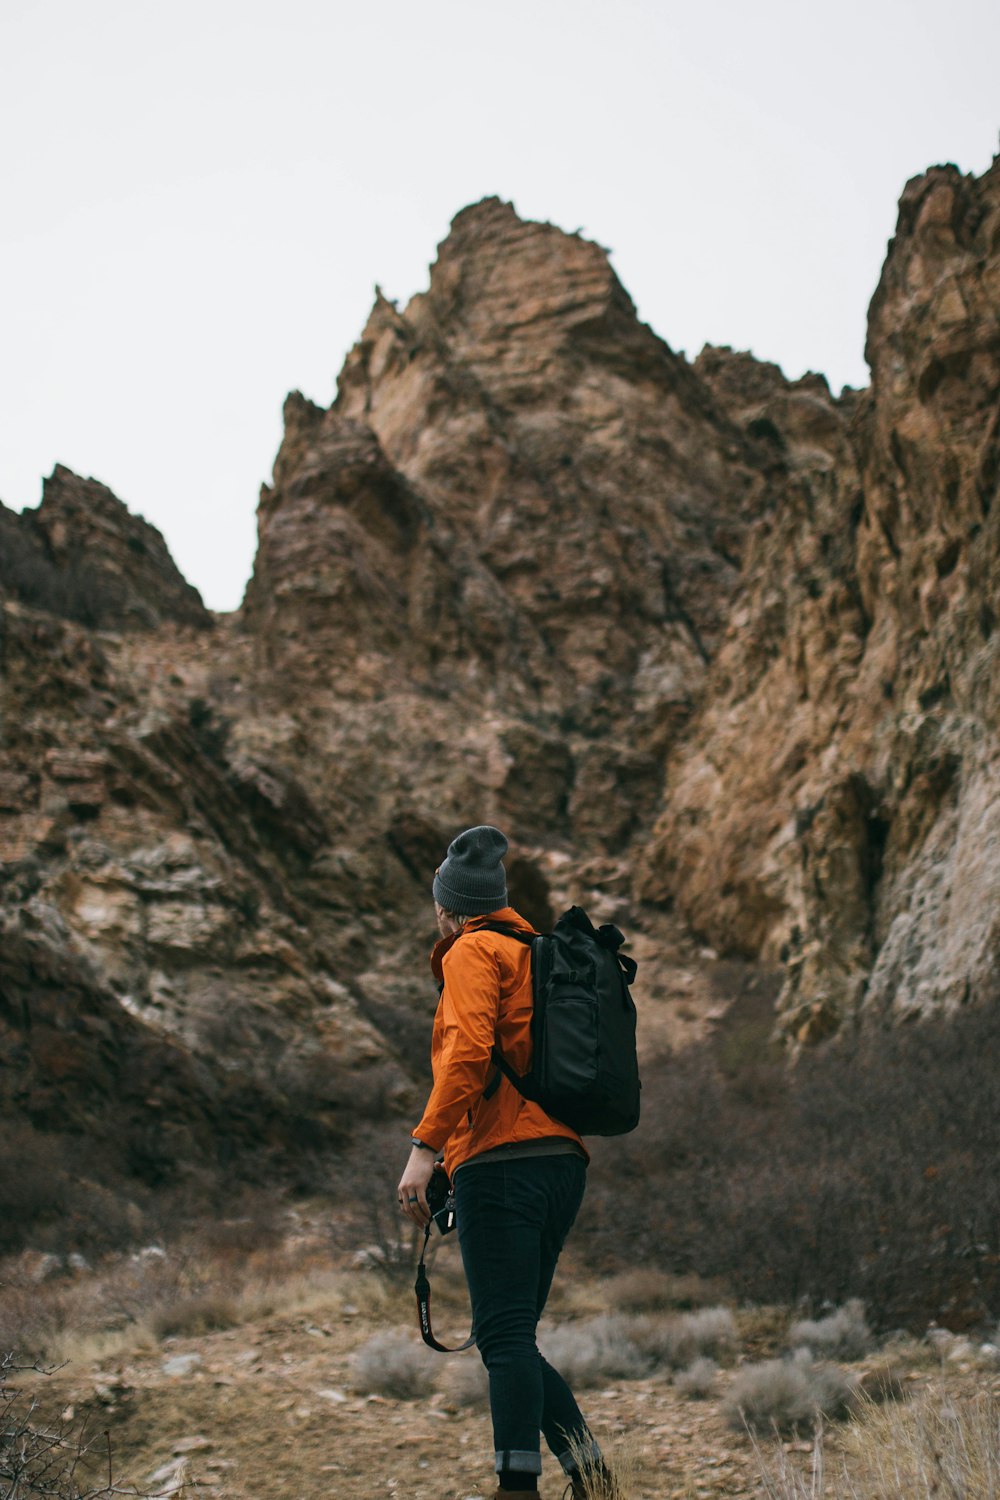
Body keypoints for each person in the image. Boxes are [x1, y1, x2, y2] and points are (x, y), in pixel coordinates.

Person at [397, 825, 618, 1500]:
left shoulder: (472, 952)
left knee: (503, 1340)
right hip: (561, 1164)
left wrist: (424, 1149)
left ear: (449, 905)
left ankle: (516, 1489)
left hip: (503, 1164)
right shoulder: (537, 953)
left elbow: (467, 1057)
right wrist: (446, 1167)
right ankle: (595, 1481)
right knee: (512, 1336)